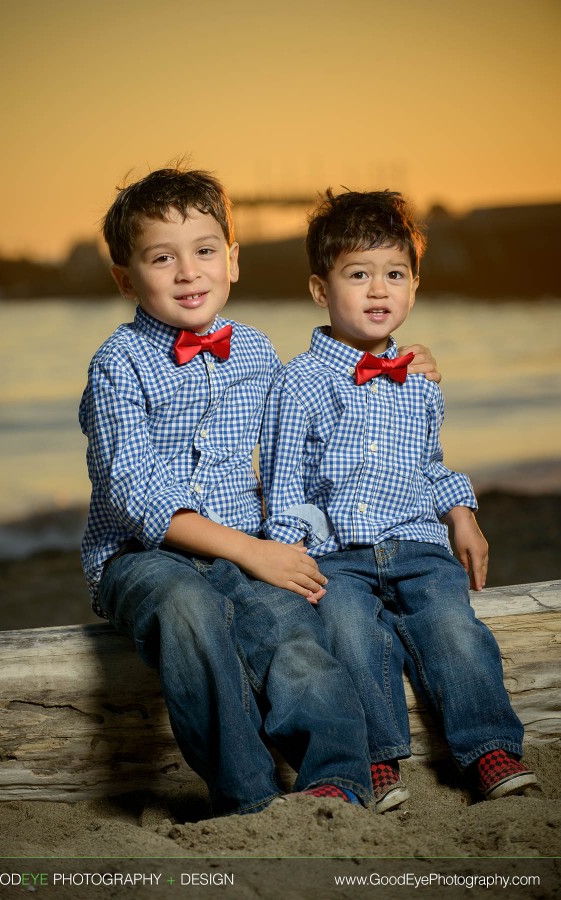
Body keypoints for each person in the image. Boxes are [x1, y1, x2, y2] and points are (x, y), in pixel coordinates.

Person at [80, 167, 427, 816]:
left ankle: (335, 778)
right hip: (142, 555)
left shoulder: (257, 352)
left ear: (232, 261)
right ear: (126, 278)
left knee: (292, 628)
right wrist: (250, 551)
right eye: (163, 258)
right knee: (187, 610)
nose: (188, 272)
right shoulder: (117, 365)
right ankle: (247, 796)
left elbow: (320, 414)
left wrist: (404, 362)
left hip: (247, 544)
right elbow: (136, 494)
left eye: (205, 251)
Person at [260, 188, 538, 813]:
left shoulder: (419, 379)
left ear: (414, 287)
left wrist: (462, 516)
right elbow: (285, 487)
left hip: (418, 542)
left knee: (453, 627)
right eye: (358, 275)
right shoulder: (297, 382)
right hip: (338, 555)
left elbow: (430, 465)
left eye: (395, 274)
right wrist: (289, 557)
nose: (378, 290)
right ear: (319, 290)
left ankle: (489, 747)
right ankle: (377, 758)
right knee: (350, 632)